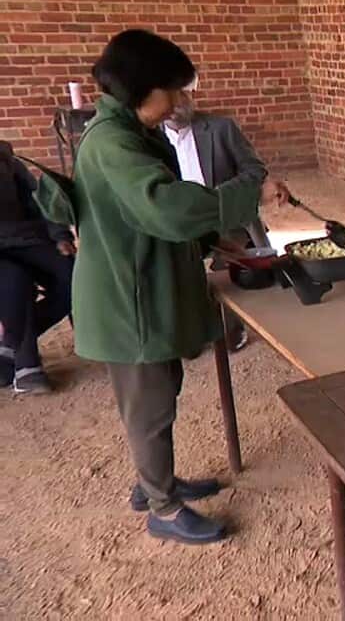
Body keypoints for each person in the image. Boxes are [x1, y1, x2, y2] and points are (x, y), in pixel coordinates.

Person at [47, 29, 286, 544]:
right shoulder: (113, 143)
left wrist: (215, 243)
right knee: (150, 405)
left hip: (142, 283)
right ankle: (163, 507)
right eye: (171, 90)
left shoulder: (130, 132)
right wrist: (247, 192)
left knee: (162, 390)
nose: (178, 101)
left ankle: (154, 480)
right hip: (126, 298)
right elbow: (167, 207)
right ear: (142, 88)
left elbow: (155, 216)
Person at [162, 82, 288, 351]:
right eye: (167, 100)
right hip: (180, 222)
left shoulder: (220, 128)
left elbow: (254, 170)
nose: (174, 106)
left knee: (230, 276)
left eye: (179, 95)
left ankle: (232, 328)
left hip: (225, 218)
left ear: (189, 95)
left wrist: (220, 198)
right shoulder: (150, 141)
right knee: (175, 269)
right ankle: (191, 331)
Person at [0, 140, 75, 395]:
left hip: (24, 238)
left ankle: (12, 344)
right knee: (16, 282)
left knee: (72, 277)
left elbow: (38, 200)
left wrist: (60, 236)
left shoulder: (6, 160)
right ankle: (26, 365)